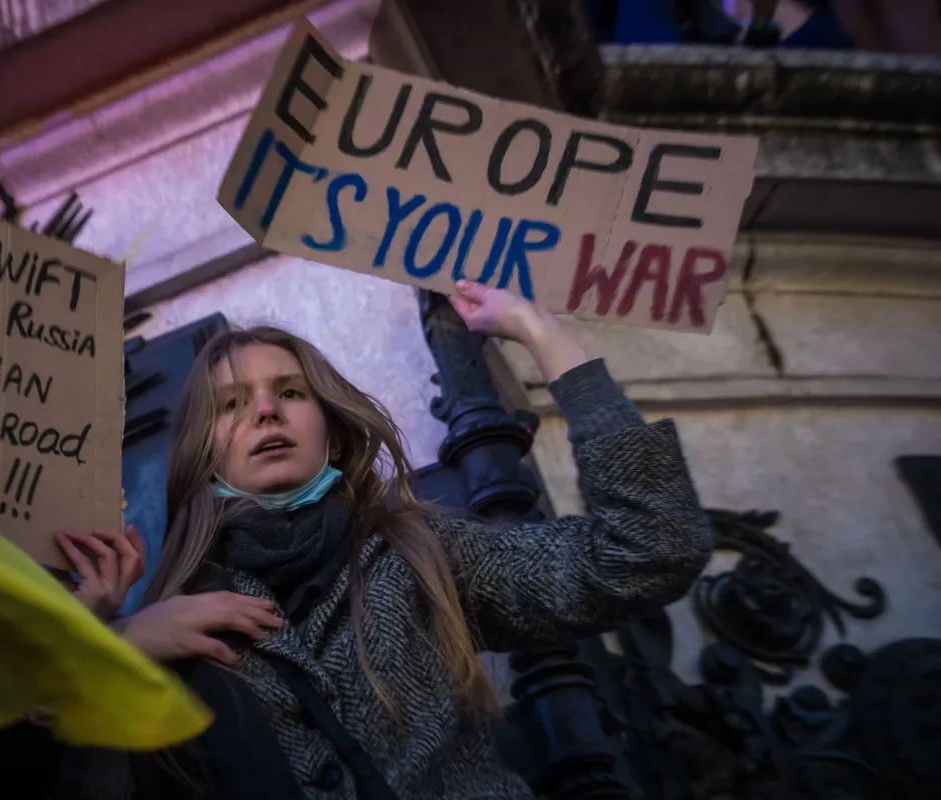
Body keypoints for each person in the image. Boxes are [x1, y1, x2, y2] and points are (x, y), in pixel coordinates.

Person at [72, 280, 713, 799]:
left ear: (331, 433)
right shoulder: (167, 627)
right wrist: (100, 651)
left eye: (290, 392)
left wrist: (540, 332)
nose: (266, 410)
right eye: (232, 404)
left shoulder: (419, 551)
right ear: (202, 451)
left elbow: (650, 548)